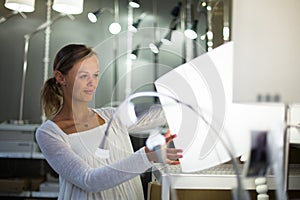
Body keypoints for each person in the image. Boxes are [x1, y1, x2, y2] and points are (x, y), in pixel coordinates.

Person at [35, 44, 183, 200]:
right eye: (84, 76)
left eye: (95, 75)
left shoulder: (111, 116)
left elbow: (160, 115)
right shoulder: (49, 133)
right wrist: (147, 156)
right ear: (60, 77)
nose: (92, 83)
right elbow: (88, 180)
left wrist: (191, 101)